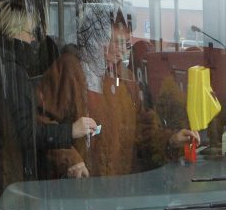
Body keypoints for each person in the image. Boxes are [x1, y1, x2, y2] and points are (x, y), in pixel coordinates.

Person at [39, 10, 199, 177]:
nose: (122, 51)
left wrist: (172, 140)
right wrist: (70, 159)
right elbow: (41, 124)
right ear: (96, 41)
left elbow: (143, 129)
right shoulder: (69, 70)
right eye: (116, 42)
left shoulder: (125, 78)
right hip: (80, 188)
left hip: (121, 189)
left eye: (127, 44)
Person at [0, 0, 97, 185]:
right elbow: (25, 133)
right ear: (14, 32)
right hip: (9, 175)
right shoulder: (10, 71)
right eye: (29, 33)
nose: (33, 40)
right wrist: (70, 130)